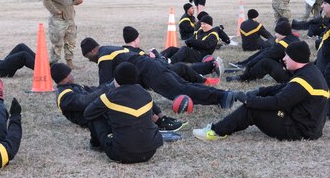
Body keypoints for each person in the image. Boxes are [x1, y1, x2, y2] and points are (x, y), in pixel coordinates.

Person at [193, 41, 329, 141]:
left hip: (301, 131)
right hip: (308, 126)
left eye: (287, 56)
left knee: (251, 109)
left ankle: (215, 132)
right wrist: (260, 91)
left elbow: (278, 102)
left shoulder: (304, 80)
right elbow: (284, 88)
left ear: (295, 58)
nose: (283, 59)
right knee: (255, 104)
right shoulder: (310, 72)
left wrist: (248, 100)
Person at [80, 37, 237, 108]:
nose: (89, 60)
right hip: (152, 66)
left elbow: (105, 87)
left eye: (88, 56)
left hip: (150, 72)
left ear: (93, 50)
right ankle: (222, 94)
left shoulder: (103, 56)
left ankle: (221, 97)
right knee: (184, 85)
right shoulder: (111, 48)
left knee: (180, 91)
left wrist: (88, 97)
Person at [50, 63, 184, 135]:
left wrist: (110, 84)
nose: (72, 74)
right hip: (95, 116)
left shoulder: (70, 86)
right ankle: (155, 122)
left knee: (133, 87)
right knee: (129, 97)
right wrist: (108, 88)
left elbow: (91, 91)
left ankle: (161, 118)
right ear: (65, 76)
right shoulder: (64, 96)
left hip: (99, 109)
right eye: (69, 73)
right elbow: (85, 103)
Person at [84, 62, 163, 163]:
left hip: (121, 153)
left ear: (115, 80)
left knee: (96, 116)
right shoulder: (146, 94)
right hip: (149, 152)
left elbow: (88, 113)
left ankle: (96, 145)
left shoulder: (109, 97)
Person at [122, 26, 220, 85]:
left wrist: (155, 56)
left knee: (182, 65)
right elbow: (148, 64)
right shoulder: (137, 54)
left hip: (157, 69)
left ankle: (210, 66)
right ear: (135, 40)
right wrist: (155, 56)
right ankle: (205, 79)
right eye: (138, 38)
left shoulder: (125, 51)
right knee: (182, 67)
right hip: (158, 73)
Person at [226, 21, 299, 83]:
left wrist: (249, 65)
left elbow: (265, 55)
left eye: (276, 33)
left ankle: (244, 78)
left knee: (265, 62)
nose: (275, 35)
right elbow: (266, 51)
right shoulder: (294, 39)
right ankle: (243, 64)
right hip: (298, 74)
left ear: (282, 33)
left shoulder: (282, 45)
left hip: (291, 77)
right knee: (265, 51)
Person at [43, 0, 84, 69]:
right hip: (58, 21)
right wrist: (56, 11)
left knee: (71, 42)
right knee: (57, 43)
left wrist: (78, 1)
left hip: (70, 19)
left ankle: (69, 63)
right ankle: (53, 64)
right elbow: (46, 1)